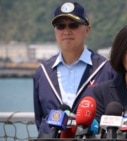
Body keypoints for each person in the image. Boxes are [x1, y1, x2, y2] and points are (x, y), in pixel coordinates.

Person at [33, 1, 116, 136]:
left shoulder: (106, 69)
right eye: (60, 26)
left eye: (73, 25)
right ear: (55, 31)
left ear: (87, 30)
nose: (66, 31)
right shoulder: (42, 72)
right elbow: (40, 118)